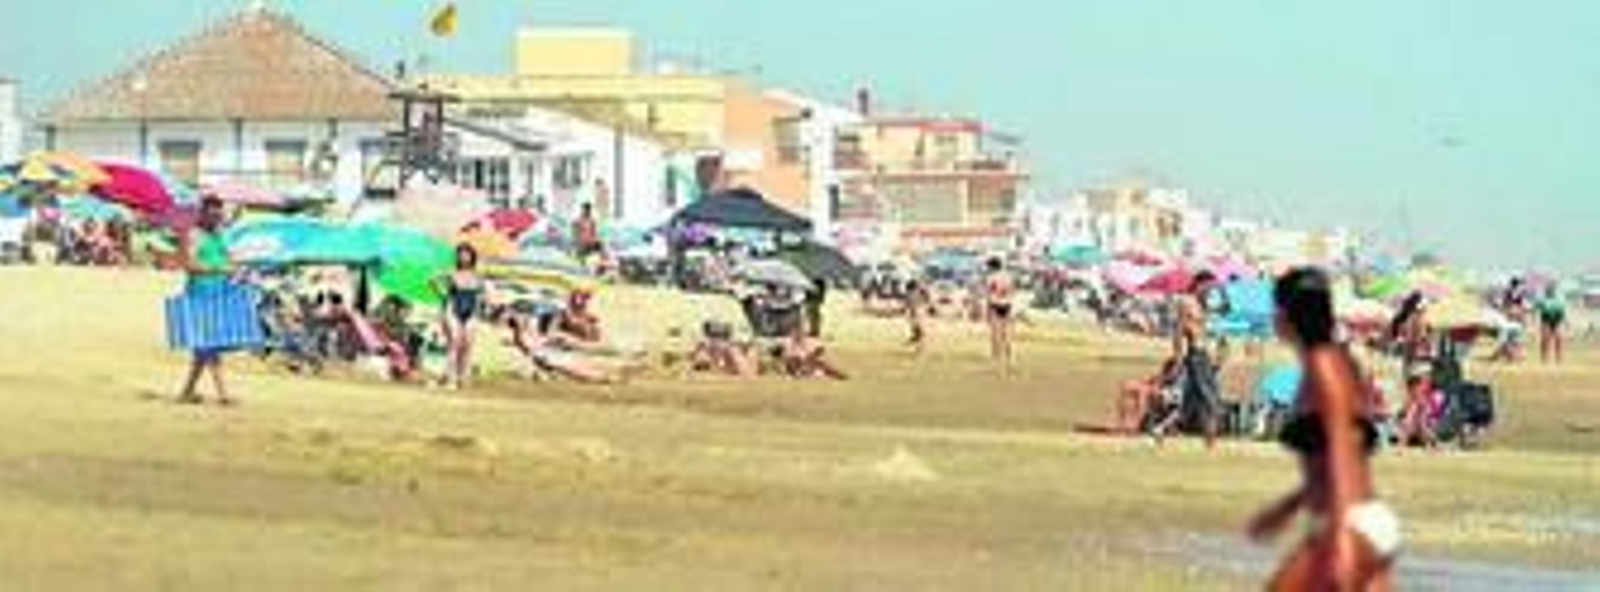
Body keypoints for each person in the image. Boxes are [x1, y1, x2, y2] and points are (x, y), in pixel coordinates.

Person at [1250, 267, 1398, 592]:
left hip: (1350, 521)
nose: (1274, 317)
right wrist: (1286, 509)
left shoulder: (1324, 368)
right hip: (1355, 518)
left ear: (1291, 314)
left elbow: (1345, 446)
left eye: (1277, 308)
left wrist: (1342, 540)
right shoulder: (1324, 365)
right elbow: (1330, 460)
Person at [176, 197, 239, 406]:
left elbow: (229, 258)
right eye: (212, 214)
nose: (216, 218)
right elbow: (188, 265)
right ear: (202, 214)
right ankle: (223, 393)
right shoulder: (193, 235)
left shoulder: (219, 235)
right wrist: (218, 269)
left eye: (218, 215)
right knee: (209, 343)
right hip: (201, 290)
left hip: (220, 290)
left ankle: (187, 391)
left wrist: (232, 267)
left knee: (205, 346)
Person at [1157, 271, 1223, 448]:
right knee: (1211, 398)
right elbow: (1179, 331)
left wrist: (1217, 354)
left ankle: (1161, 429)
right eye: (1209, 286)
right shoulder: (1186, 302)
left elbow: (1208, 330)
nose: (1211, 291)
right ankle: (1210, 442)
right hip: (1196, 355)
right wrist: (1178, 357)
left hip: (1204, 355)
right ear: (1199, 284)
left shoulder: (1203, 304)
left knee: (1191, 402)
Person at [434, 245, 485, 390]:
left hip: (472, 310)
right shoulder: (451, 273)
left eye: (466, 254)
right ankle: (451, 379)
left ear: (472, 256)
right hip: (453, 308)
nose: (463, 257)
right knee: (455, 341)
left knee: (468, 344)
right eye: (460, 255)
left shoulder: (478, 275)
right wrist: (442, 296)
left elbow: (481, 295)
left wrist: (481, 308)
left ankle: (462, 377)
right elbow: (432, 280)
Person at [1390, 293, 1436, 447]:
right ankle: (1404, 439)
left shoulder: (1405, 321)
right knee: (1417, 404)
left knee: (1418, 403)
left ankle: (1427, 440)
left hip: (1409, 365)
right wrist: (1428, 346)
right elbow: (1416, 342)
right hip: (1422, 363)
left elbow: (1404, 344)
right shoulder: (1419, 320)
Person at [983, 257, 1016, 368]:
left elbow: (988, 293)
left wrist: (987, 311)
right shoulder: (1008, 276)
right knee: (1006, 334)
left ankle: (996, 359)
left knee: (995, 334)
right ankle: (1010, 359)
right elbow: (1012, 291)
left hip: (995, 304)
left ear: (992, 267)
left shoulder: (991, 277)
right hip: (1007, 304)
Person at [904, 279, 931, 355]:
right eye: (917, 285)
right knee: (920, 333)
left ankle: (917, 346)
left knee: (919, 333)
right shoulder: (913, 294)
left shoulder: (910, 294)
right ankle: (918, 347)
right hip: (917, 313)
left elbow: (909, 305)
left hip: (915, 314)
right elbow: (926, 299)